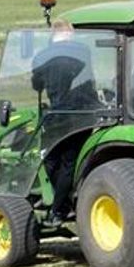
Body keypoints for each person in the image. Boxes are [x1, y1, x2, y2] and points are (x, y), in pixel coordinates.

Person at [31, 20, 96, 225]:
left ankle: (57, 208)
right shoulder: (83, 51)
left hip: (57, 116)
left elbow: (36, 85)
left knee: (51, 159)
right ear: (71, 33)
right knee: (70, 162)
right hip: (83, 114)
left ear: (53, 34)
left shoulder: (42, 56)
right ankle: (63, 204)